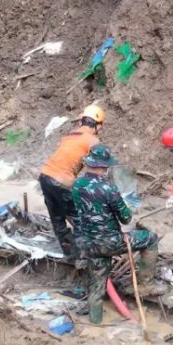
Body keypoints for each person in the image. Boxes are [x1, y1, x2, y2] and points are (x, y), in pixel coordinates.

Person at [72, 144, 160, 324]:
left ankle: (95, 324)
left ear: (89, 163)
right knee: (151, 239)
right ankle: (146, 285)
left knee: (97, 286)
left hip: (90, 244)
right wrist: (125, 205)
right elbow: (126, 219)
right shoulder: (108, 189)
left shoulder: (76, 185)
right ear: (104, 166)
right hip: (112, 242)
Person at [39, 105, 103, 261]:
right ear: (98, 125)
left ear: (82, 120)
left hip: (45, 176)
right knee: (79, 219)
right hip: (62, 181)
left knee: (57, 217)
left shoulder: (70, 135)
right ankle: (82, 258)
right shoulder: (93, 141)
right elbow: (96, 170)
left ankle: (69, 252)